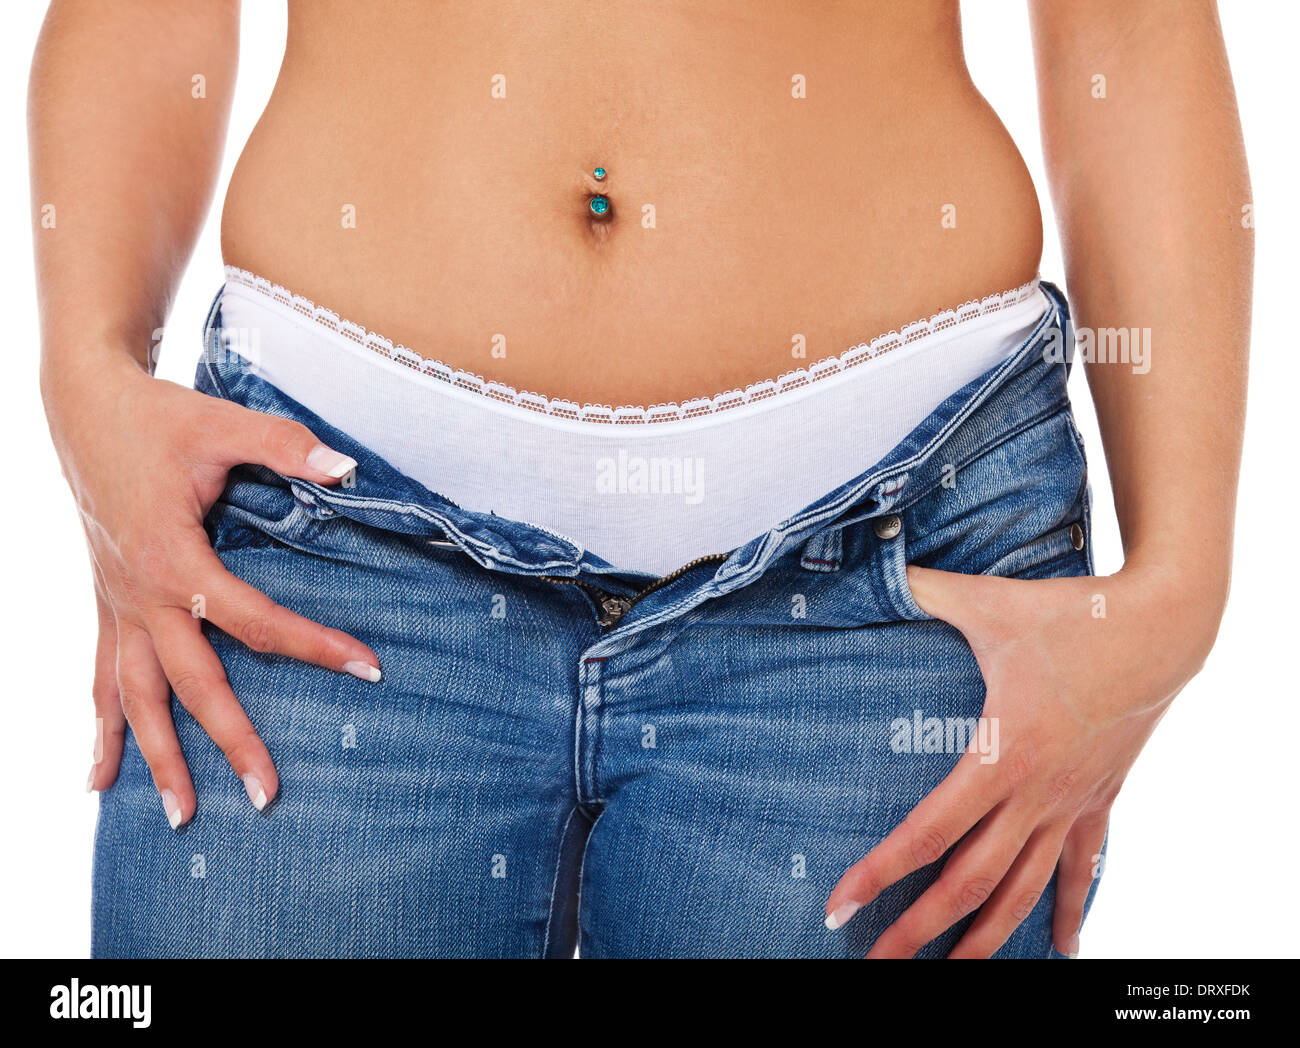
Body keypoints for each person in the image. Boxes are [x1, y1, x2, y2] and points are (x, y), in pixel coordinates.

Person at [30, 0, 1251, 958]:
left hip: (897, 562)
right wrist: (87, 374)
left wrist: (1177, 595)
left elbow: (1128, 21)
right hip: (326, 534)